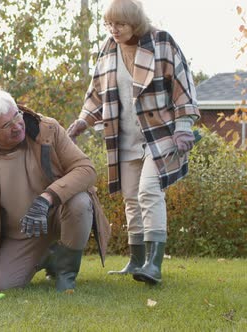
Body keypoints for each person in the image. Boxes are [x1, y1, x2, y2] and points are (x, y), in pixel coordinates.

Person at [66, 0, 200, 285]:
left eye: (120, 24)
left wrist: (184, 127)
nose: (113, 30)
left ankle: (154, 263)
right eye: (109, 24)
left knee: (149, 191)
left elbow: (182, 86)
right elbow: (96, 93)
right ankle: (136, 260)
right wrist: (83, 120)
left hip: (160, 134)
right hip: (123, 136)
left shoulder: (161, 42)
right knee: (130, 198)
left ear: (135, 23)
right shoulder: (108, 49)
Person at [0, 89, 110, 302]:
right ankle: (50, 257)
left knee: (80, 202)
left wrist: (46, 199)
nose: (18, 125)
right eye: (7, 125)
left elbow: (86, 169)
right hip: (22, 233)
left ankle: (66, 273)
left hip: (57, 215)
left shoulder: (47, 130)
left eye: (17, 115)